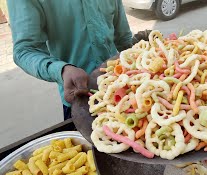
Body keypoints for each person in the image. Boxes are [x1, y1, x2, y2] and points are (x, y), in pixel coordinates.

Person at [7, 0, 148, 120]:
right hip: (79, 98)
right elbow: (24, 50)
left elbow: (122, 37)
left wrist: (144, 50)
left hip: (123, 92)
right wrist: (62, 70)